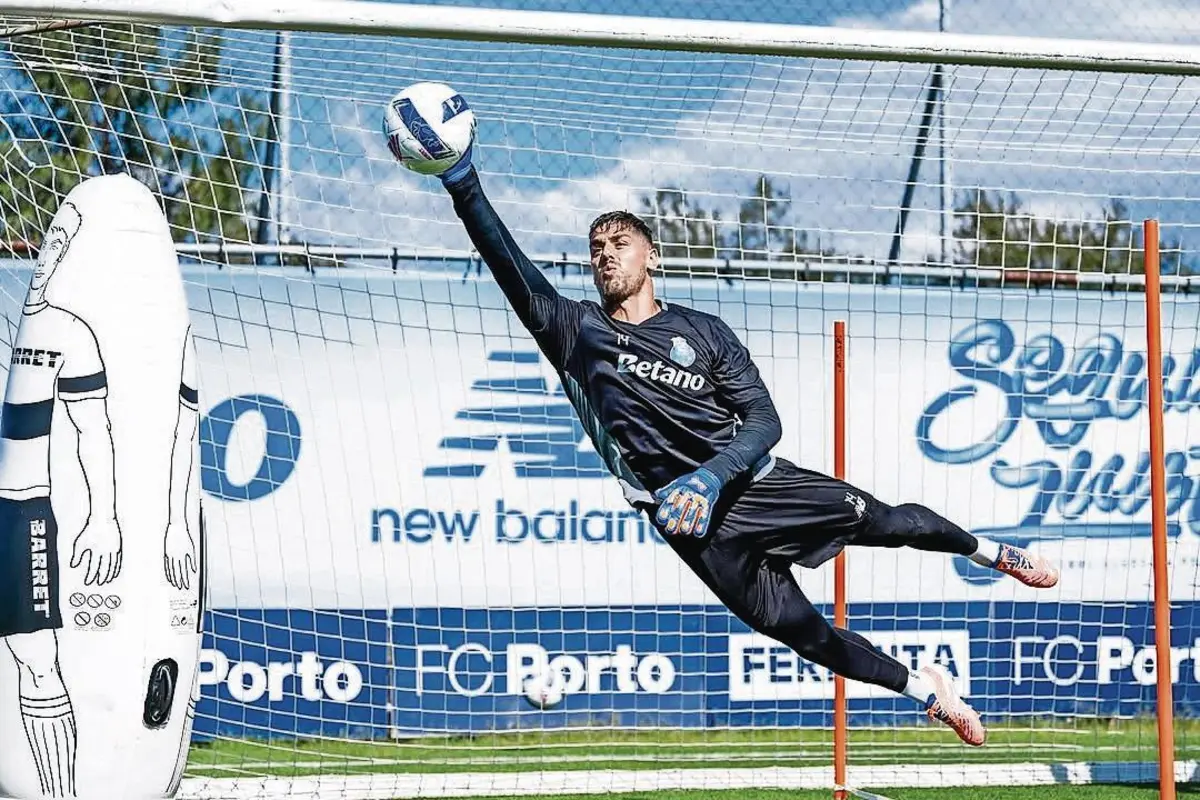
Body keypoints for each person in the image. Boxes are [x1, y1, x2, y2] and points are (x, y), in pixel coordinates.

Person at [434, 147, 1058, 747]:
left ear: (651, 257)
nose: (605, 256)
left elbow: (764, 421)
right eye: (596, 249)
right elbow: (505, 260)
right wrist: (462, 182)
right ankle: (926, 690)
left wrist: (709, 480)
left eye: (619, 244)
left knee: (891, 523)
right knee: (804, 635)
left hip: (756, 486)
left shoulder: (703, 332)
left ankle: (991, 552)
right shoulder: (575, 332)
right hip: (686, 524)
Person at [0, 201, 122, 797]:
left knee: (36, 657)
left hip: (19, 511)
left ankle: (57, 793)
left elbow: (93, 430)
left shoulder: (71, 333)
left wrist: (104, 516)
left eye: (65, 244)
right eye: (51, 240)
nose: (51, 254)